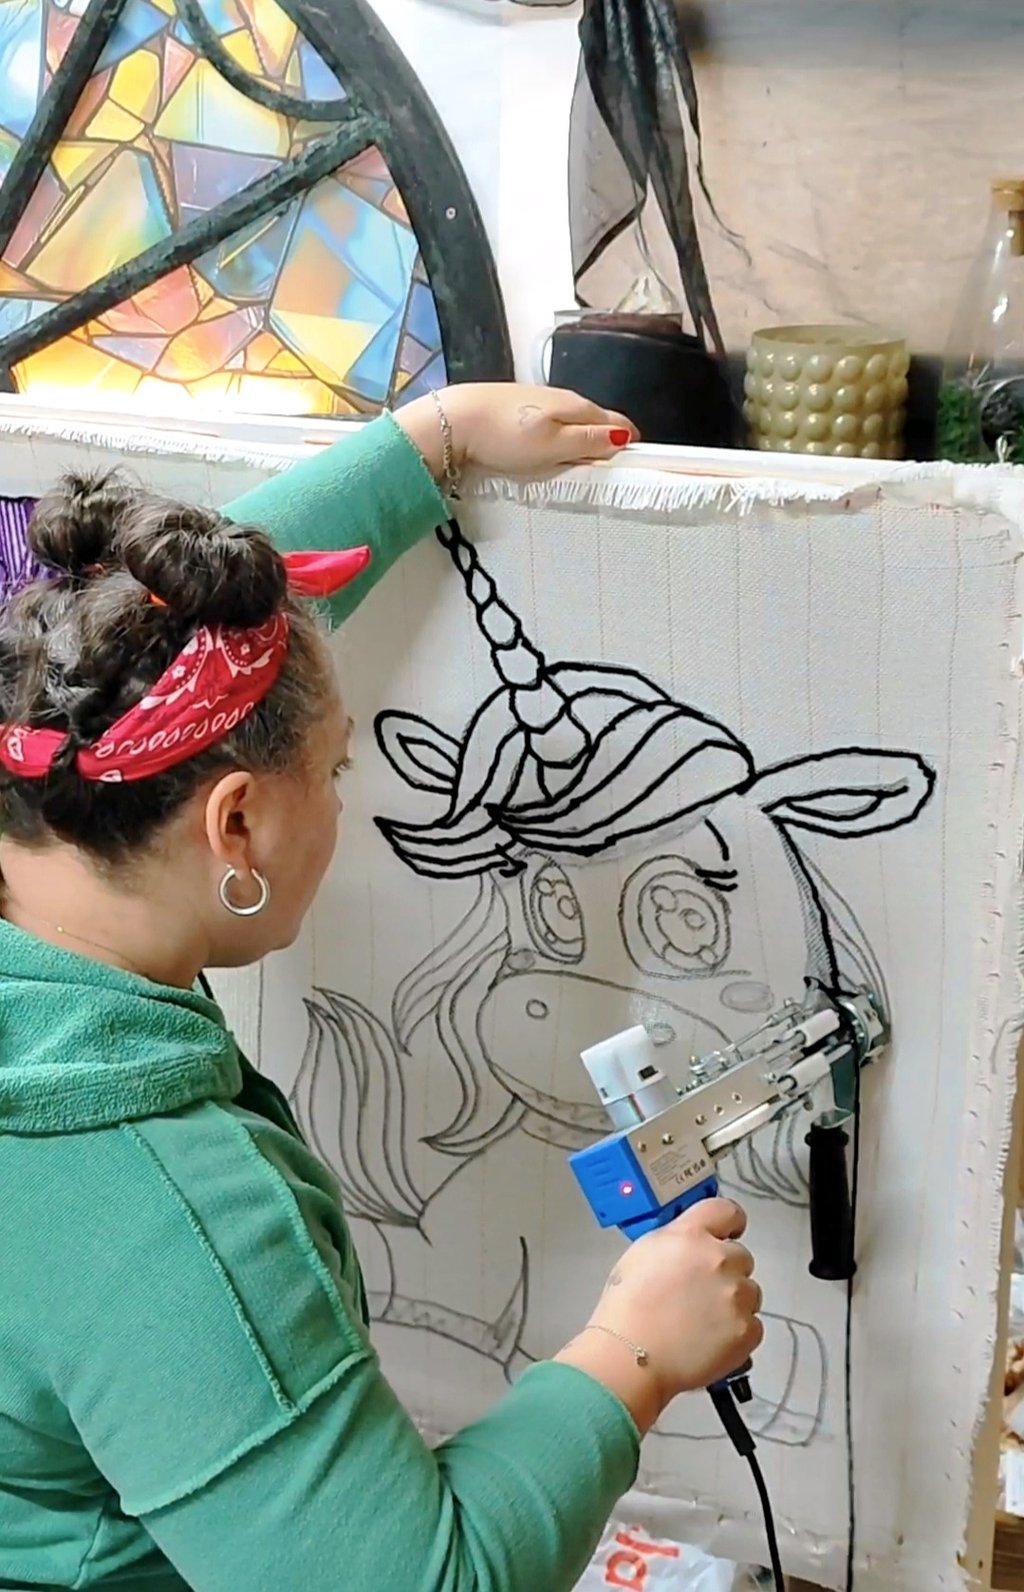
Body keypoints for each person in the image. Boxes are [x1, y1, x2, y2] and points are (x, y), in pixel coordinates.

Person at [0, 383, 763, 1592]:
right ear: (234, 821)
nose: (342, 798)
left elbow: (156, 645)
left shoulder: (46, 753)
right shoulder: (163, 1215)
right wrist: (636, 1351)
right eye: (337, 767)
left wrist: (430, 440)